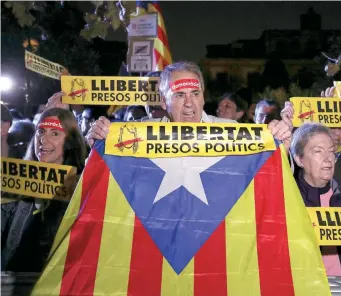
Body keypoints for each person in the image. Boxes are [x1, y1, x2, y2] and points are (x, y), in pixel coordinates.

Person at [86, 61, 293, 148]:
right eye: (178, 95)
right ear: (164, 101)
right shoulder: (136, 132)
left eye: (195, 93)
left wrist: (280, 142)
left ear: (203, 97)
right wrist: (100, 140)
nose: (188, 103)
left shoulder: (232, 132)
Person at [2, 108, 87, 272]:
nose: (43, 139)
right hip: (11, 283)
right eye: (41, 132)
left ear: (69, 142)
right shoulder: (16, 181)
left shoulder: (82, 187)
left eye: (55, 134)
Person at [291, 123, 341, 276]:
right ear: (299, 160)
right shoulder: (290, 201)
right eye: (318, 151)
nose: (328, 159)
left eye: (331, 152)